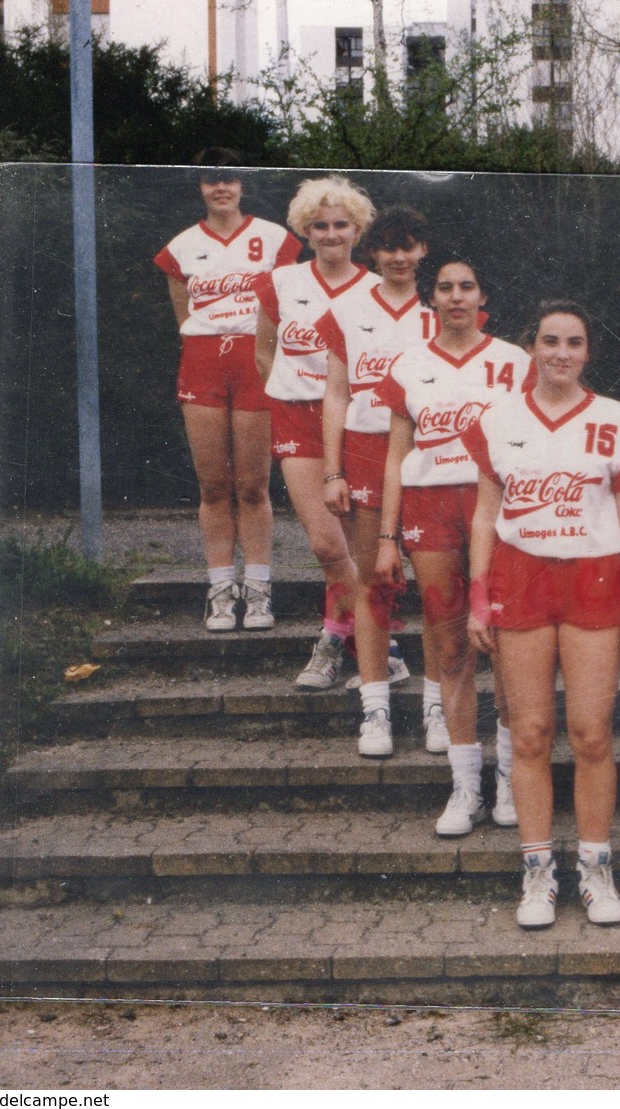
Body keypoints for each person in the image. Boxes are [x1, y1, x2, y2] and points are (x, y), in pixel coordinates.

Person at [462, 301, 620, 929]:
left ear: (588, 351)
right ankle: (538, 870)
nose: (561, 353)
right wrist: (477, 597)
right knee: (529, 734)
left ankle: (596, 867)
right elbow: (485, 515)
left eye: (574, 342)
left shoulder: (615, 419)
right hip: (520, 577)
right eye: (550, 341)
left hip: (593, 577)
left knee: (592, 734)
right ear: (533, 347)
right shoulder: (499, 419)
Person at [372, 259, 533, 822]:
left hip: (499, 509)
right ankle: (466, 786)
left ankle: (512, 780)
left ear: (482, 293)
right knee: (449, 645)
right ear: (432, 297)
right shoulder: (409, 365)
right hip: (431, 510)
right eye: (446, 287)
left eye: (468, 285)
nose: (457, 296)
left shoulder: (516, 363)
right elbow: (395, 457)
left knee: (510, 646)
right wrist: (387, 536)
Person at [319, 209, 470, 769]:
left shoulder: (443, 313)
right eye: (389, 249)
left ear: (423, 250)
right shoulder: (349, 309)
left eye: (409, 247)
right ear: (373, 254)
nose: (399, 258)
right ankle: (375, 707)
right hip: (363, 448)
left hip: (430, 456)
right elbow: (335, 393)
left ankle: (436, 704)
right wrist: (331, 470)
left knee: (437, 590)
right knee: (372, 583)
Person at [154, 148, 300, 631]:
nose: (222, 188)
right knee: (213, 485)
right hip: (202, 362)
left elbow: (288, 306)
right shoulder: (181, 247)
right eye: (211, 181)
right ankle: (220, 589)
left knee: (253, 486)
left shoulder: (274, 238)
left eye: (230, 180)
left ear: (242, 185)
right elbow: (184, 318)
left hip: (254, 359)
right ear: (199, 187)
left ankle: (257, 589)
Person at [253, 175, 376, 689]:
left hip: (355, 423)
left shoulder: (375, 289)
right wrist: (288, 386)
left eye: (340, 224)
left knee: (358, 547)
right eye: (319, 225)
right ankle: (374, 638)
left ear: (357, 230)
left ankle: (338, 639)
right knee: (328, 546)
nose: (330, 234)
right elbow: (263, 349)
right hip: (297, 417)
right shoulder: (281, 281)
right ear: (305, 230)